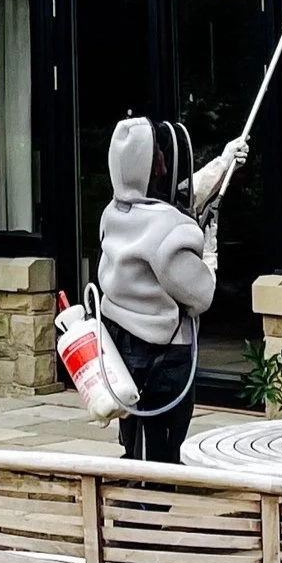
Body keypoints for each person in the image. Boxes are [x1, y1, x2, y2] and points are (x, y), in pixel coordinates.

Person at [94, 117, 248, 462]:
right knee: (159, 457)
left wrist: (223, 163)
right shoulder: (169, 228)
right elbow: (201, 295)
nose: (164, 160)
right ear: (151, 168)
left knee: (134, 444)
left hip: (123, 349)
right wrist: (209, 251)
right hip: (162, 357)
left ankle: (129, 508)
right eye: (158, 154)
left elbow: (178, 196)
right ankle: (145, 512)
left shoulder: (115, 213)